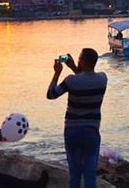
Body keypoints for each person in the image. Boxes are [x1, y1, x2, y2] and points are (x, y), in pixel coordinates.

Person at [47, 48, 108, 188]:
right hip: (92, 131)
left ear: (82, 61)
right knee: (90, 174)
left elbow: (51, 94)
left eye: (80, 58)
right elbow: (85, 79)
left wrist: (57, 72)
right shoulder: (103, 79)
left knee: (75, 174)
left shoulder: (71, 81)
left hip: (72, 131)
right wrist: (73, 67)